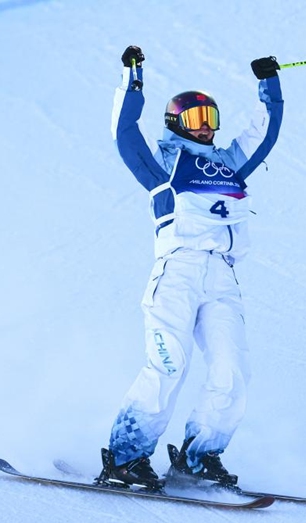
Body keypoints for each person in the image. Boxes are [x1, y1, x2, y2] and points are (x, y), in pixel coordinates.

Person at [98, 45, 283, 490]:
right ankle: (126, 458)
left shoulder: (228, 165)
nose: (205, 129)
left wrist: (270, 87)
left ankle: (199, 457)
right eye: (196, 120)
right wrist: (133, 78)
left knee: (231, 373)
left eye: (210, 120)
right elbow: (124, 130)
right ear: (177, 123)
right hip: (178, 273)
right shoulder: (164, 163)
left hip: (222, 277)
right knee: (168, 365)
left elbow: (265, 135)